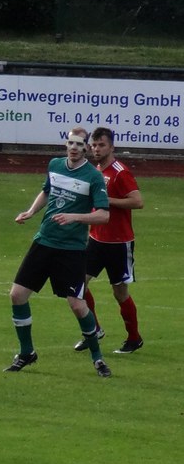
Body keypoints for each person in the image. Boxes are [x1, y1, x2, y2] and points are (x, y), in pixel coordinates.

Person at [6, 129, 112, 377]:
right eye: (70, 143)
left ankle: (97, 357)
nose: (74, 147)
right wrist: (31, 212)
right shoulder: (55, 165)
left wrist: (75, 217)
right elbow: (46, 190)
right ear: (66, 145)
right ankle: (26, 352)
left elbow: (104, 215)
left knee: (77, 305)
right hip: (44, 241)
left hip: (72, 249)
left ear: (86, 148)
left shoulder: (93, 177)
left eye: (79, 144)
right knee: (17, 295)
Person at [73, 127, 144, 354]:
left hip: (119, 243)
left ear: (111, 147)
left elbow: (137, 201)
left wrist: (107, 199)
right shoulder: (95, 170)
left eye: (101, 145)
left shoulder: (120, 172)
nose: (96, 149)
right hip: (96, 239)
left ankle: (134, 338)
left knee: (119, 292)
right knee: (78, 285)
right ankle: (93, 329)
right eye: (93, 145)